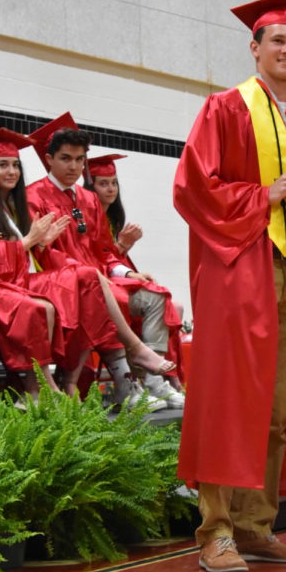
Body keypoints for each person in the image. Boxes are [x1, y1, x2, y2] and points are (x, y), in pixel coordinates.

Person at [173, 0, 286, 572]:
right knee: (228, 403)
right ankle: (214, 531)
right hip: (240, 271)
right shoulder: (224, 109)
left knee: (275, 407)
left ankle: (256, 526)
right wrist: (261, 195)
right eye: (278, 41)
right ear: (254, 47)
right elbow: (192, 187)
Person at [0, 128, 171, 403]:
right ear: (49, 160)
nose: (11, 171)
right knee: (88, 285)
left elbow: (101, 250)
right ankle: (109, 375)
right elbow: (27, 257)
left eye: (15, 165)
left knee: (156, 295)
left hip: (62, 277)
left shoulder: (22, 203)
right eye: (3, 164)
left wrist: (123, 265)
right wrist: (34, 242)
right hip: (16, 282)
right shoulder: (33, 197)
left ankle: (151, 381)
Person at [84, 152, 185, 406]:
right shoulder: (84, 216)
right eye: (103, 183)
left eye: (114, 182)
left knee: (163, 296)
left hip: (108, 279)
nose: (110, 189)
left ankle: (155, 380)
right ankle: (140, 382)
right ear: (90, 186)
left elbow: (107, 259)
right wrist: (122, 246)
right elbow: (95, 260)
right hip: (91, 285)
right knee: (146, 299)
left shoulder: (110, 219)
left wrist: (131, 273)